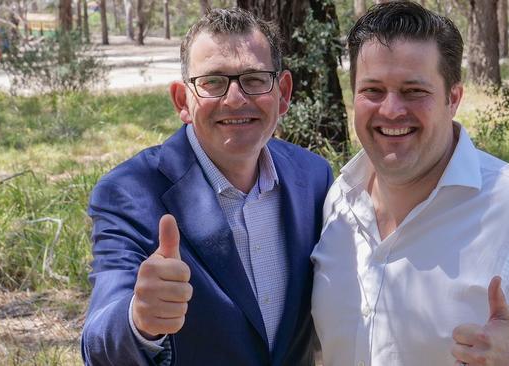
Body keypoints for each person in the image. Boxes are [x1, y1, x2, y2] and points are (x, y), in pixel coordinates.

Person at [310, 2, 509, 366]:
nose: (390, 110)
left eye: (414, 91)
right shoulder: (337, 201)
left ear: (453, 98)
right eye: (372, 90)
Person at [82, 8, 332, 366]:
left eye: (255, 78)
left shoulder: (314, 177)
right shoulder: (129, 194)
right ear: (182, 101)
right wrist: (138, 320)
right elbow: (98, 340)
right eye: (213, 82)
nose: (235, 99)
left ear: (283, 93)